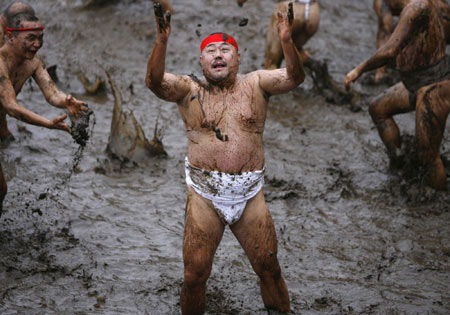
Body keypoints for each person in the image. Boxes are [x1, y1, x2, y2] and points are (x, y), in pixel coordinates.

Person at [145, 1, 304, 313]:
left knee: (269, 270)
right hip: (205, 194)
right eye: (211, 51)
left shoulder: (257, 83)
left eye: (225, 49)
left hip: (249, 194)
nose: (218, 55)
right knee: (195, 274)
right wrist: (162, 40)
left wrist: (286, 40)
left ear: (238, 57)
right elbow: (154, 83)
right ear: (201, 61)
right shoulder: (189, 89)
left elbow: (295, 77)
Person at [345, 0, 450, 191]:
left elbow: (389, 50)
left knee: (429, 157)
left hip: (433, 86)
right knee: (378, 109)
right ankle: (400, 164)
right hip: (414, 82)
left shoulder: (416, 7)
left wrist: (358, 70)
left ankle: (436, 203)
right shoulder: (430, 5)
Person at [0, 8, 87, 214]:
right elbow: (12, 108)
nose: (37, 44)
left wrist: (67, 101)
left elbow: (52, 93)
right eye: (30, 38)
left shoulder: (34, 61)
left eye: (40, 38)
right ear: (10, 37)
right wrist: (49, 124)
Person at [372, 0, 450, 83]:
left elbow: (384, 34)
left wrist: (379, 73)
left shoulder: (381, 3)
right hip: (442, 20)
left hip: (438, 23)